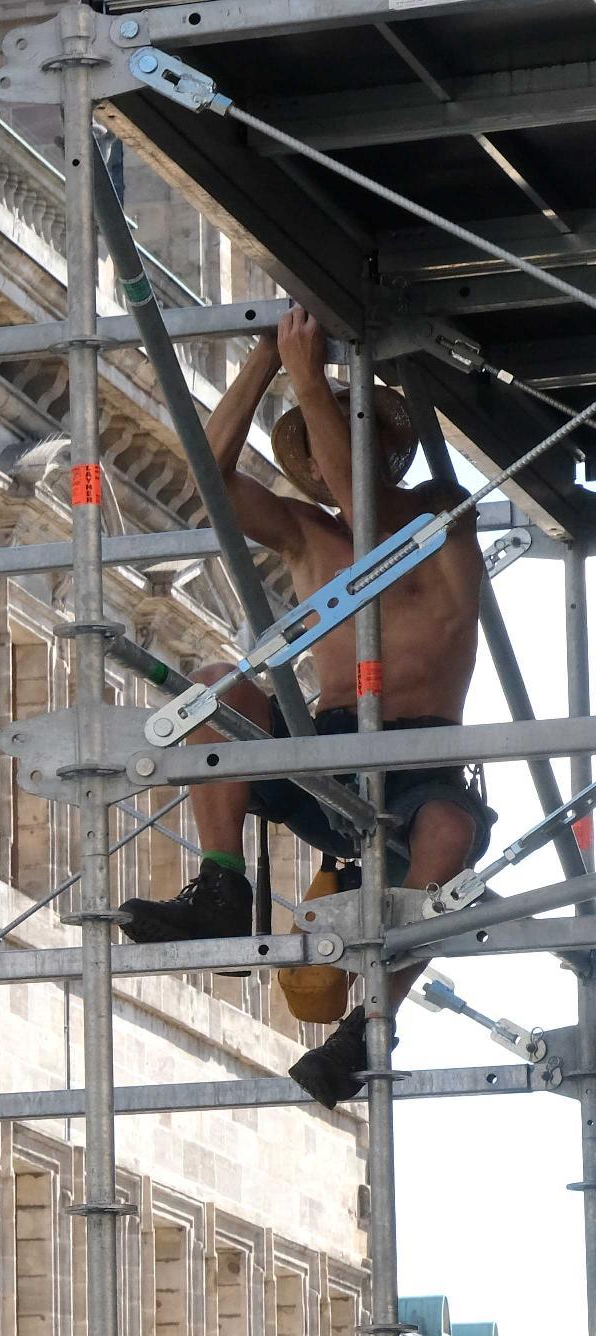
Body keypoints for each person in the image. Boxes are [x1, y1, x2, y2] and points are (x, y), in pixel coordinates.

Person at [116, 304, 492, 1107]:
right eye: (321, 448)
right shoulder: (305, 537)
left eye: (347, 442)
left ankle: (371, 1023)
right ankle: (219, 882)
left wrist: (308, 378)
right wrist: (263, 362)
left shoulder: (438, 519)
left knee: (449, 836)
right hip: (325, 750)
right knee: (218, 683)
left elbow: (369, 514)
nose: (330, 466)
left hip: (420, 759)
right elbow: (203, 475)